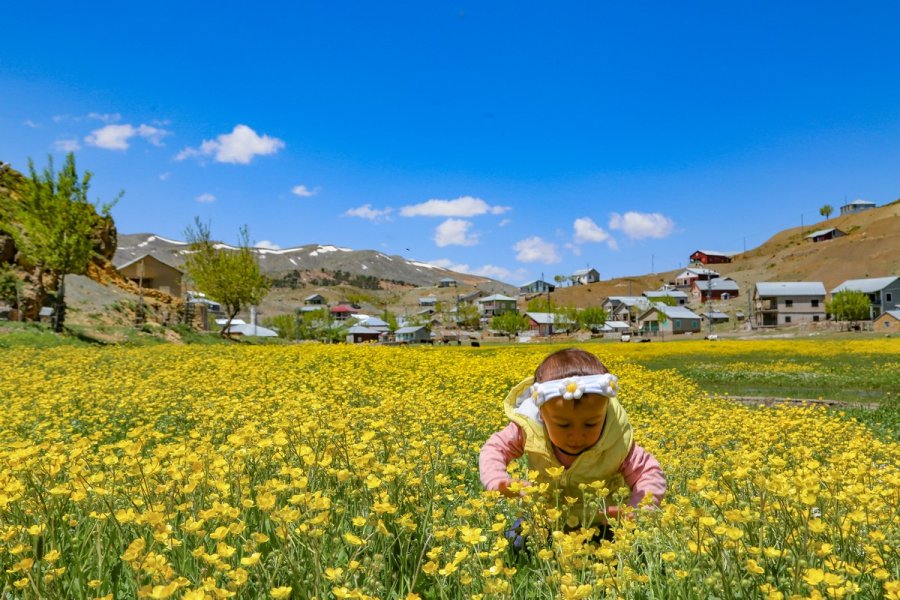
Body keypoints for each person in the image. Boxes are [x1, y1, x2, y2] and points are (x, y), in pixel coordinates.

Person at [479, 348, 666, 534]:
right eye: (563, 425)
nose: (577, 436)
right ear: (542, 415)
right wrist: (498, 480)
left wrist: (636, 509)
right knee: (516, 542)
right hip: (544, 517)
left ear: (605, 412)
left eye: (591, 424)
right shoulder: (529, 428)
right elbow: (494, 449)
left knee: (627, 550)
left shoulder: (616, 440)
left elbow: (648, 473)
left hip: (601, 521)